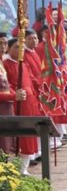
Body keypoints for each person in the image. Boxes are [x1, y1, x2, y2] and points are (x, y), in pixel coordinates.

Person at [3, 39, 41, 174]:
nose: (20, 50)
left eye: (22, 48)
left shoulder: (24, 64)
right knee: (19, 136)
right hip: (17, 103)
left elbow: (31, 81)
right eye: (16, 47)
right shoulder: (5, 64)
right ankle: (16, 168)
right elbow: (7, 86)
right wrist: (16, 94)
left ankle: (24, 167)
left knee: (29, 134)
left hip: (29, 102)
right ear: (9, 49)